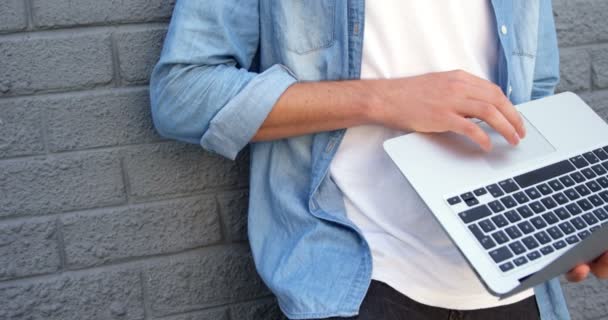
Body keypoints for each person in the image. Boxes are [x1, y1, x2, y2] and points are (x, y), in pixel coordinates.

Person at [150, 1, 608, 319]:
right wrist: (385, 99)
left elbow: (533, 98)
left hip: (518, 290)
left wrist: (568, 229)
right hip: (363, 285)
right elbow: (184, 93)